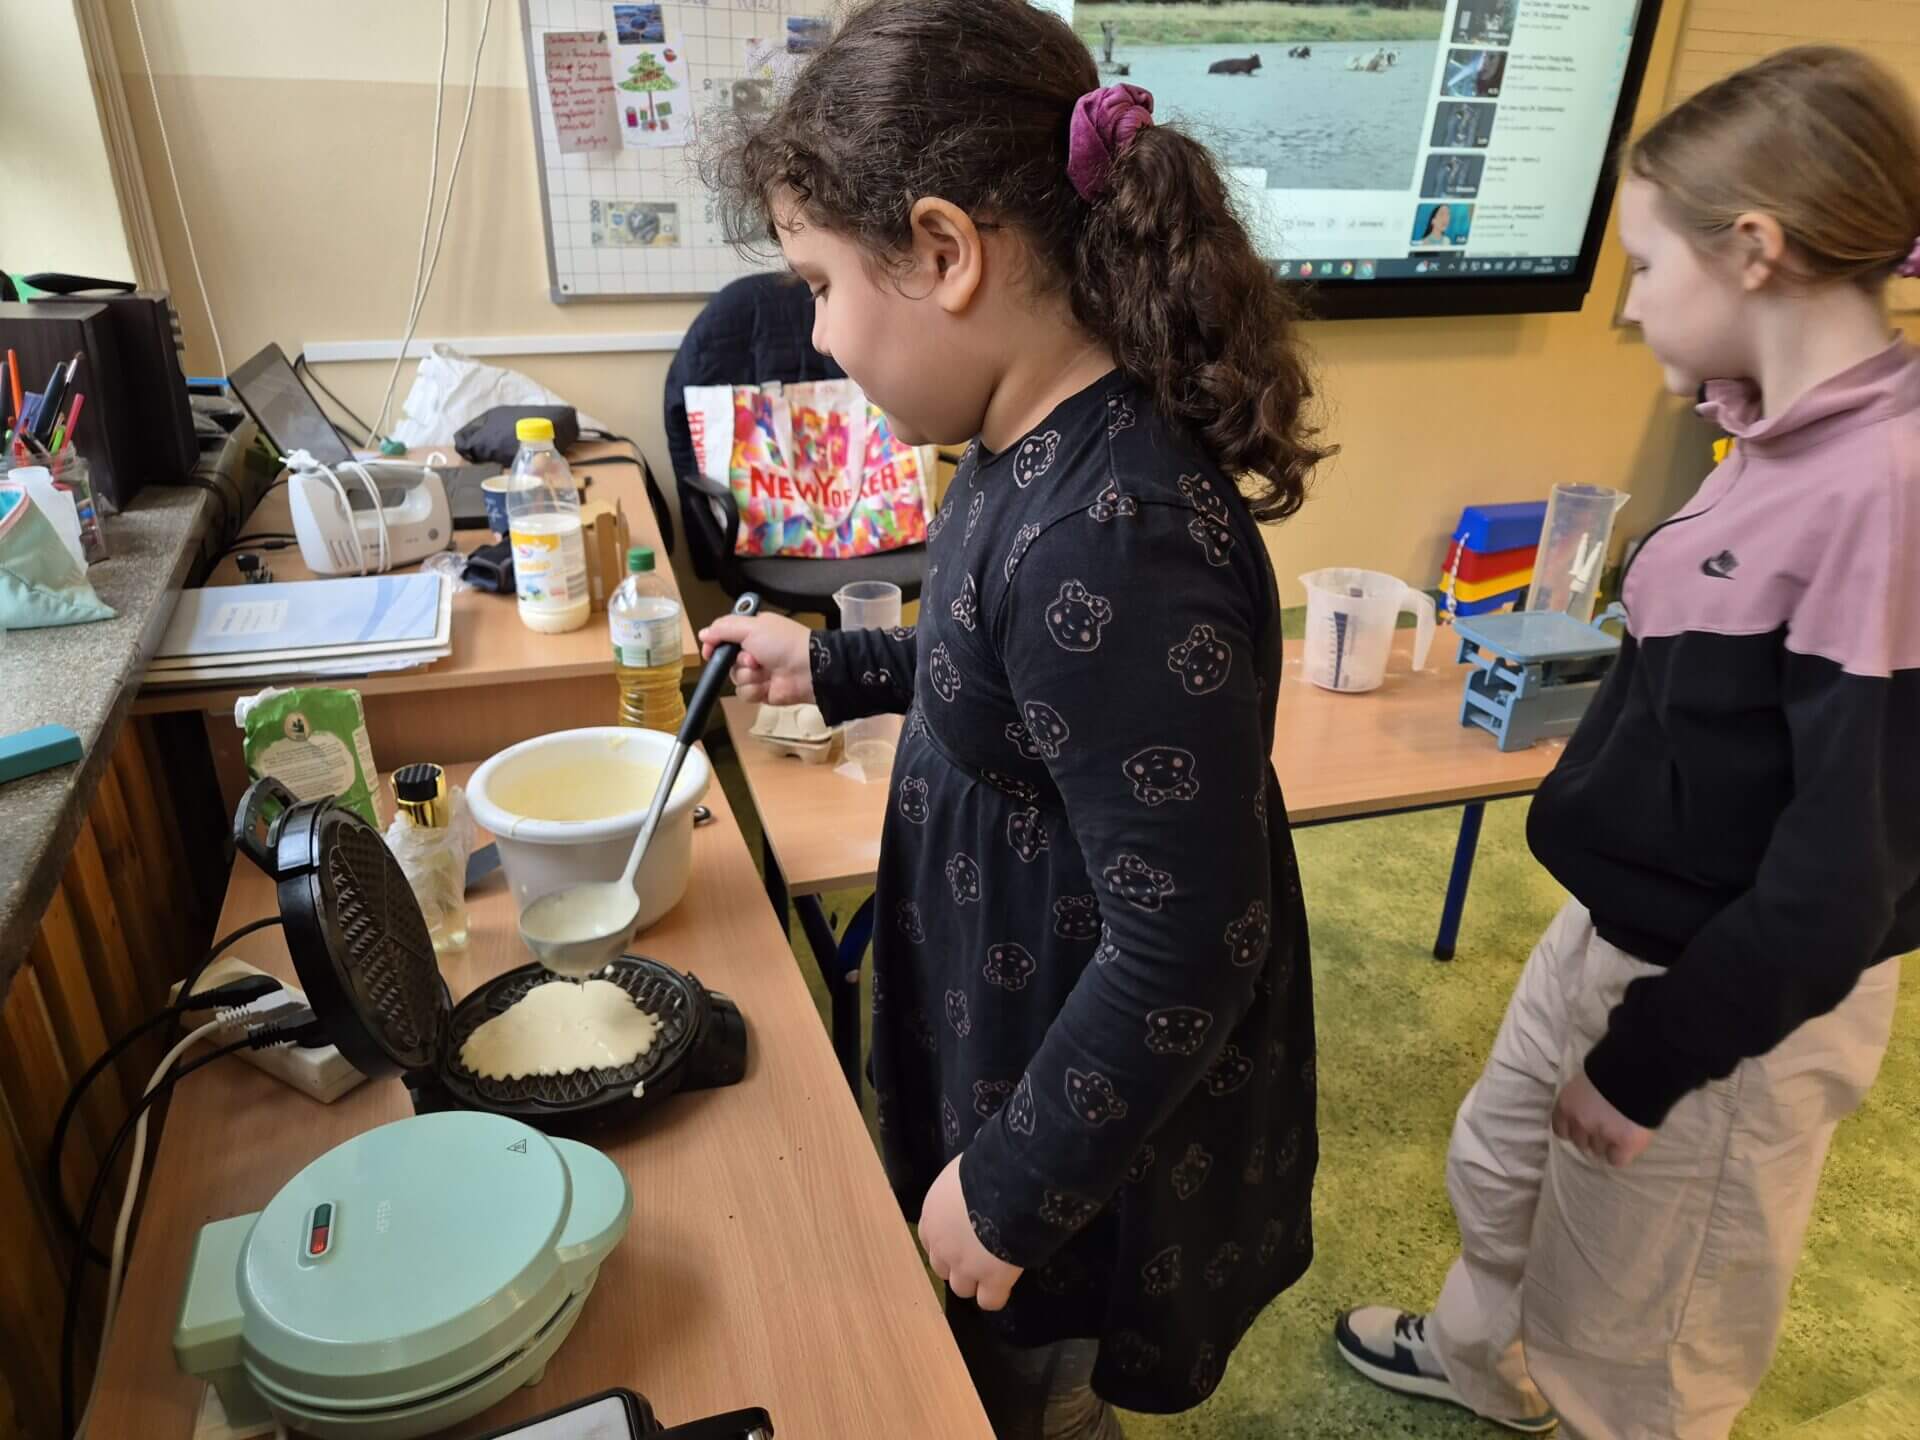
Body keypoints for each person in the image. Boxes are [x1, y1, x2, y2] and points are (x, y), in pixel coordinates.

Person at [698, 1, 1330, 1433]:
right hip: (1004, 997)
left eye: (818, 284)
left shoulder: (1117, 537)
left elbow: (1187, 947)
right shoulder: (1015, 435)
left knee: (1028, 1379)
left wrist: (1013, 1183)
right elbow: (1001, 669)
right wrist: (836, 666)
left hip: (1081, 1093)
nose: (816, 332)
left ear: (944, 252)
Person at [1336, 44, 1920, 1439]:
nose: (1634, 300)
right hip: (1621, 923)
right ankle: (1484, 1364)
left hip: (1727, 997)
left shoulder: (1886, 494)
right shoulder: (1766, 436)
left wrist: (1656, 1056)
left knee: (1645, 1332)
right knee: (1501, 1170)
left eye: (1648, 266)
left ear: (1757, 252)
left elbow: (1840, 881)